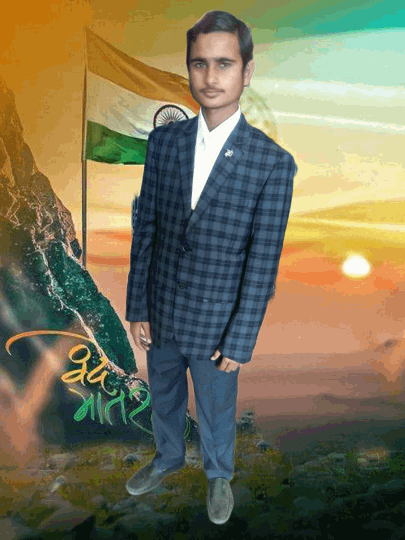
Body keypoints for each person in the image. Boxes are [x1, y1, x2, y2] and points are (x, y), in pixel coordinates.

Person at [125, 10, 297, 525]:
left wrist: (241, 338)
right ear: (189, 69)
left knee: (217, 405)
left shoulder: (272, 163)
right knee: (164, 393)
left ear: (247, 71)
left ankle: (219, 475)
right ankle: (167, 457)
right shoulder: (164, 143)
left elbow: (262, 262)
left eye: (225, 63)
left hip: (218, 322)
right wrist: (137, 305)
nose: (210, 76)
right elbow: (147, 228)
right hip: (161, 307)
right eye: (199, 63)